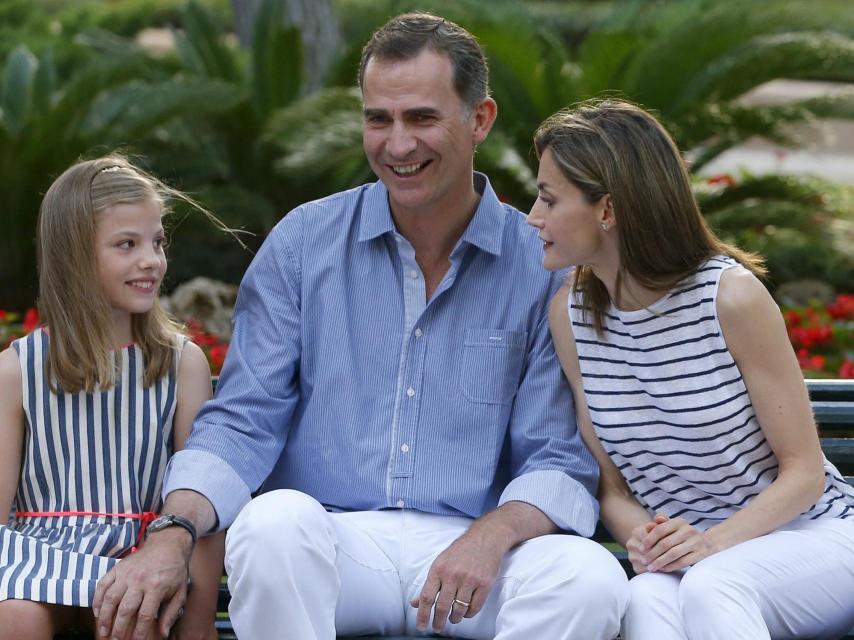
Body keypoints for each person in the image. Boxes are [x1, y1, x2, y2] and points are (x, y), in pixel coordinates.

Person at [92, 12, 630, 640]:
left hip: (479, 551)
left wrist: (495, 534)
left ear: (479, 119)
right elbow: (244, 417)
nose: (397, 145)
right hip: (332, 544)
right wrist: (174, 529)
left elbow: (558, 452)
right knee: (272, 526)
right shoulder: (302, 243)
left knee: (588, 579)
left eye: (422, 118)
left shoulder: (540, 265)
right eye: (380, 119)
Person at [527, 98, 854, 639]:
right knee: (648, 596)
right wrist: (646, 541)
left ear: (606, 210)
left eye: (548, 199)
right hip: (699, 560)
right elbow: (612, 488)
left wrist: (710, 544)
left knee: (711, 587)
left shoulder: (730, 297)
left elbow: (804, 472)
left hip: (817, 538)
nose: (533, 218)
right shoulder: (572, 316)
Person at [0, 156, 225, 640]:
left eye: (157, 242)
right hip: (39, 554)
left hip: (139, 556)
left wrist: (201, 623)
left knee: (132, 618)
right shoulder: (17, 370)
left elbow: (203, 497)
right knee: (13, 619)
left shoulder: (180, 365)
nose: (152, 259)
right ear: (75, 256)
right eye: (127, 244)